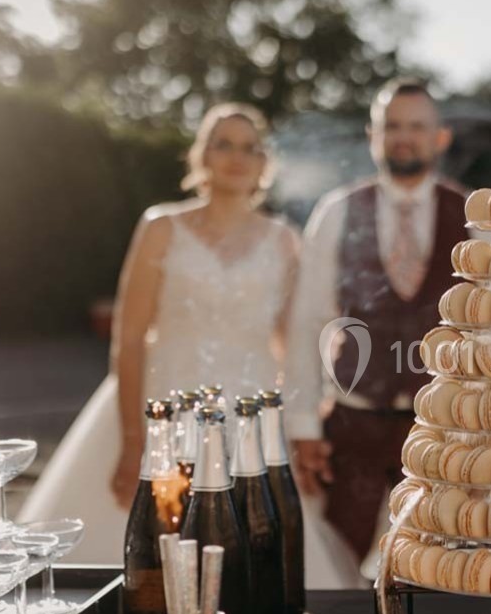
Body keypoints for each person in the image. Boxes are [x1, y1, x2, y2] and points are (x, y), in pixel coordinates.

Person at [21, 103, 356, 586]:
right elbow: (130, 337)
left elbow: (292, 342)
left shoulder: (284, 240)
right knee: (150, 553)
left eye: (250, 148)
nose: (237, 157)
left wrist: (309, 417)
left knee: (254, 555)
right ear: (201, 156)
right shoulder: (161, 228)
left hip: (250, 417)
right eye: (224, 144)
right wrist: (132, 440)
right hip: (164, 408)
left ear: (265, 164)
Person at [286, 78, 464, 571]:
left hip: (445, 432)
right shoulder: (338, 211)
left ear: (440, 137)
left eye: (416, 126)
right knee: (334, 571)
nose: (403, 137)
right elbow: (307, 322)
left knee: (441, 573)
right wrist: (302, 426)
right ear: (372, 135)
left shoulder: (474, 217)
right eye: (392, 126)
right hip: (353, 423)